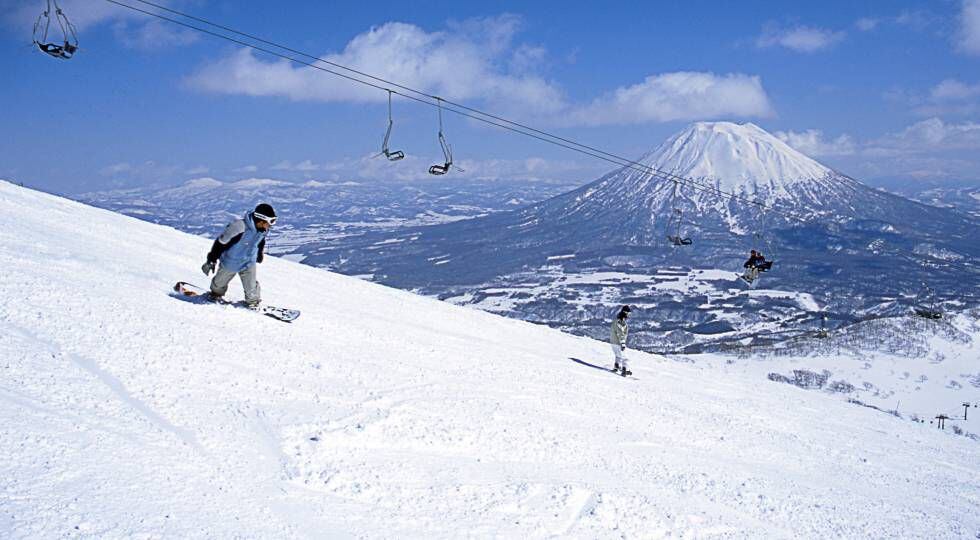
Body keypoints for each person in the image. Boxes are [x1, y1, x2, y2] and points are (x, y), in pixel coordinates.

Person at [201, 203, 277, 307]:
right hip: (231, 261)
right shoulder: (239, 227)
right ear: (261, 219)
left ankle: (253, 302)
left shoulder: (263, 229)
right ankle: (215, 295)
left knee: (251, 287)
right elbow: (221, 243)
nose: (271, 225)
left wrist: (259, 254)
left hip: (249, 261)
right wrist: (212, 259)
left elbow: (260, 241)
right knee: (219, 284)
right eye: (271, 221)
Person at [610, 305, 631, 376]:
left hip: (613, 342)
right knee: (625, 357)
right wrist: (622, 343)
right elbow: (620, 333)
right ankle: (625, 370)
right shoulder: (621, 322)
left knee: (618, 355)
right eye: (628, 313)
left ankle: (616, 366)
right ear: (625, 313)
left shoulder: (617, 320)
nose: (629, 315)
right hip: (618, 343)